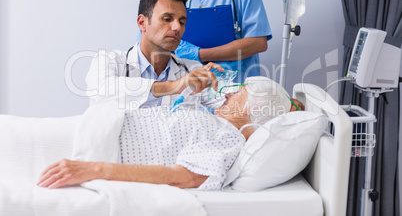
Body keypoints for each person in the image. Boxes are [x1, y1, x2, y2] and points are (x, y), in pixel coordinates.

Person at [37, 76, 303, 191]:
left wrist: (92, 169)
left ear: (250, 111)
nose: (229, 93)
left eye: (238, 94)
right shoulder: (213, 118)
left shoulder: (229, 141)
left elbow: (178, 178)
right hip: (100, 125)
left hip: (96, 148)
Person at [86, 0, 225, 110]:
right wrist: (174, 86)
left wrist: (242, 90)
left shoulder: (193, 69)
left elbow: (226, 105)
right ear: (142, 23)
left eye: (182, 22)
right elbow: (101, 90)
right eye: (167, 19)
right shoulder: (110, 60)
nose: (177, 27)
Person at [148, 0, 272, 83]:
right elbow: (150, 41)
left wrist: (197, 54)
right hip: (184, 83)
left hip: (236, 83)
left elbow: (258, 42)